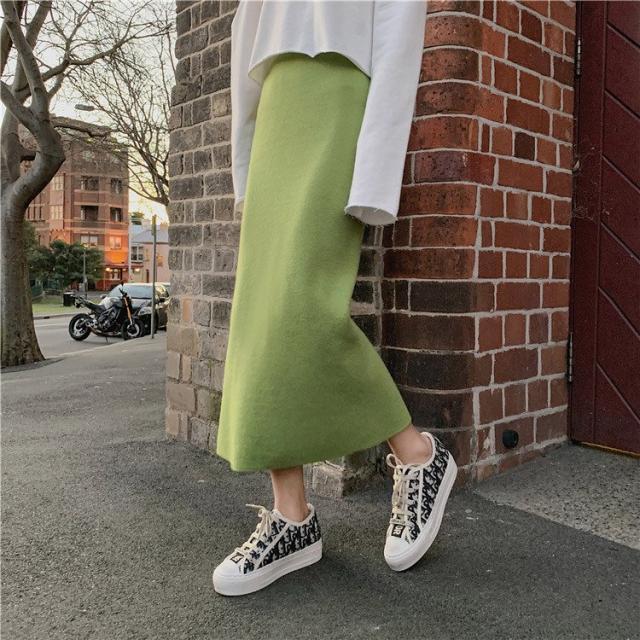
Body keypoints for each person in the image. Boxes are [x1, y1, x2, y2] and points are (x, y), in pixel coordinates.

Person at [211, 0, 457, 597]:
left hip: (339, 89)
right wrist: (245, 152)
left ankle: (417, 453)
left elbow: (399, 24)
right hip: (276, 97)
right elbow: (250, 25)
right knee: (261, 314)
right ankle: (291, 515)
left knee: (305, 310)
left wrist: (376, 169)